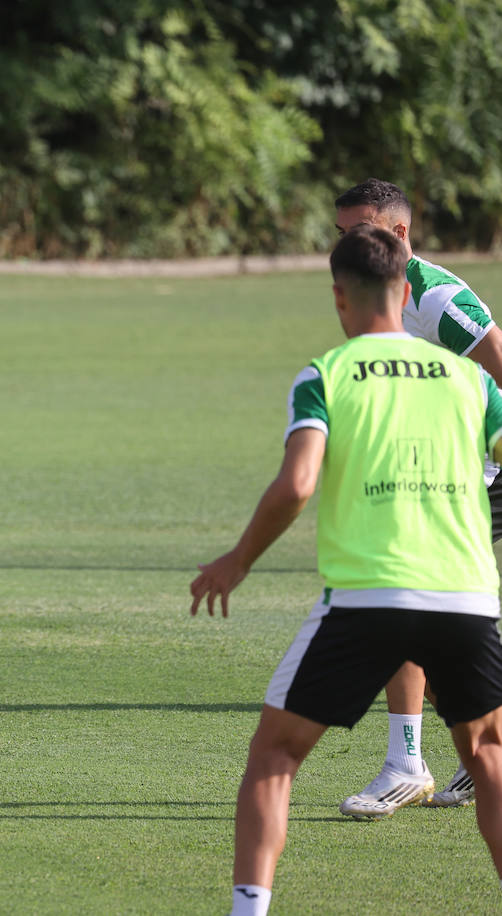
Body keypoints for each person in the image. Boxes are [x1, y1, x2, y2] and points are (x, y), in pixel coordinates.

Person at [190, 225, 502, 916]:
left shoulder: (327, 373)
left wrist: (237, 562)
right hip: (467, 595)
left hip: (369, 596)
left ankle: (249, 910)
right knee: (487, 754)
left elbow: (298, 485)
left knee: (275, 754)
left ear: (339, 297)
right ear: (405, 291)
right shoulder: (472, 382)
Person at [333, 178, 502, 817]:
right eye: (341, 232)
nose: (346, 244)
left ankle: (409, 764)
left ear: (399, 234)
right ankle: (453, 756)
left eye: (358, 232)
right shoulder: (372, 290)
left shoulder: (439, 301)